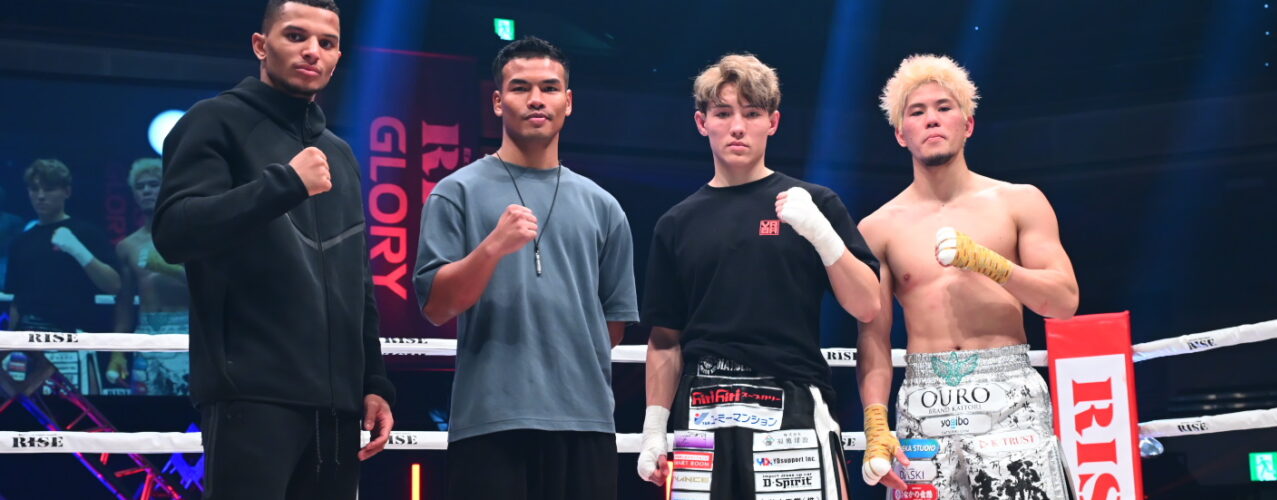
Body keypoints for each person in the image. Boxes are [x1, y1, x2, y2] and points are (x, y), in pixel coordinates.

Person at [153, 1, 394, 497]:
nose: (312, 51)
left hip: (338, 406)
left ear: (338, 57)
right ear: (261, 46)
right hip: (252, 395)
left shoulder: (340, 153)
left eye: (326, 43)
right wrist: (285, 184)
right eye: (296, 36)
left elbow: (358, 280)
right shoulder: (214, 121)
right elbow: (175, 232)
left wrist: (374, 382)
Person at [636, 54, 882, 500]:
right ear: (702, 122)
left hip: (792, 404)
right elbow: (665, 339)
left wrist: (822, 235)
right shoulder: (676, 223)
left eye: (751, 114)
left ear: (773, 122)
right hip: (703, 410)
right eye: (723, 113)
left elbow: (868, 305)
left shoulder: (816, 204)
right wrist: (653, 431)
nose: (737, 127)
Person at [413, 36, 637, 500]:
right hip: (489, 422)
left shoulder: (604, 206)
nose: (536, 99)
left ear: (567, 102)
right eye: (520, 87)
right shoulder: (456, 192)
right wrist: (492, 248)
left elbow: (612, 326)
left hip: (585, 421)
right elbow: (436, 306)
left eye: (549, 88)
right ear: (497, 101)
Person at [856, 54, 1080, 499]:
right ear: (900, 133)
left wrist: (991, 264)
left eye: (944, 107)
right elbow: (873, 337)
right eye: (916, 112)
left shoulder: (1019, 201)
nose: (931, 119)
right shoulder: (877, 228)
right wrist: (875, 424)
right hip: (923, 403)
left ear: (968, 124)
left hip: (1009, 396)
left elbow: (1064, 302)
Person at [5, 158, 120, 394]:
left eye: (48, 189)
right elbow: (16, 302)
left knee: (78, 410)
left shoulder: (86, 233)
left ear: (66, 191)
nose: (40, 196)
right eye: (34, 189)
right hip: (28, 344)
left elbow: (114, 285)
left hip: (71, 339)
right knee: (26, 411)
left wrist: (78, 250)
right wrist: (8, 345)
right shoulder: (21, 242)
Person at [108, 158, 190, 395]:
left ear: (168, 187)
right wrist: (117, 352)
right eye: (140, 186)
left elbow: (212, 288)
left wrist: (171, 269)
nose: (146, 191)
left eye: (153, 184)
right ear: (134, 194)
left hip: (188, 332)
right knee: (147, 410)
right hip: (146, 336)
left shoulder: (191, 236)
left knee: (192, 409)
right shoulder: (127, 246)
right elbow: (124, 304)